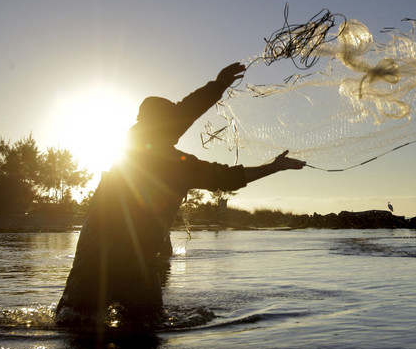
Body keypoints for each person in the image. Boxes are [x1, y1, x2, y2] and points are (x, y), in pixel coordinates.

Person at [56, 62, 305, 327]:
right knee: (144, 329)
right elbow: (230, 176)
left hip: (93, 259)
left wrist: (218, 86)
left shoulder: (129, 147)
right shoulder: (178, 164)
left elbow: (187, 118)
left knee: (74, 324)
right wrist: (274, 167)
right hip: (135, 265)